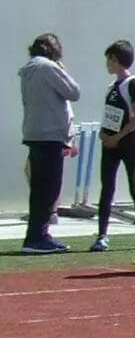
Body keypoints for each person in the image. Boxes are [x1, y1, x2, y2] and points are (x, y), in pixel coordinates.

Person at [18, 32, 80, 255]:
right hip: (51, 135)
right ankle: (38, 237)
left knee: (38, 189)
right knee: (50, 188)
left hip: (34, 134)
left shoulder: (28, 71)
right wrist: (62, 68)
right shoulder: (49, 68)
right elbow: (74, 92)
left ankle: (34, 235)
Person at [91, 39, 135, 251]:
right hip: (110, 144)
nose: (107, 64)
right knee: (107, 188)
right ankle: (102, 235)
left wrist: (118, 137)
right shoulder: (112, 86)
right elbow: (110, 115)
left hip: (128, 142)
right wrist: (104, 134)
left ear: (115, 59)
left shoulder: (133, 83)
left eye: (109, 59)